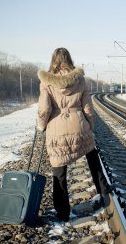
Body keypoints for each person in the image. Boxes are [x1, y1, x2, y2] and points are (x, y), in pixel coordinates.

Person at [37, 47, 112, 222]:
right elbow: (88, 108)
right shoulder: (80, 80)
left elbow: (45, 109)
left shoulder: (46, 82)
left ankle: (63, 213)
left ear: (53, 60)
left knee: (59, 172)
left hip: (57, 130)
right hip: (79, 125)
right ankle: (103, 191)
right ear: (69, 60)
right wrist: (89, 126)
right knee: (92, 155)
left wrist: (41, 126)